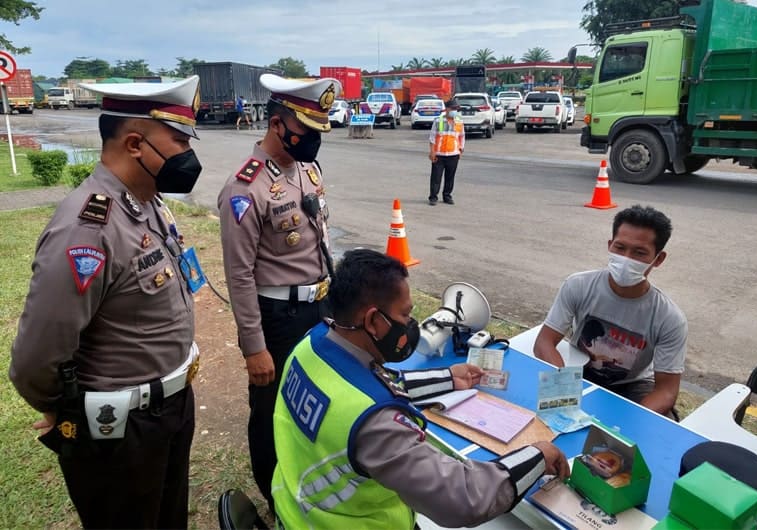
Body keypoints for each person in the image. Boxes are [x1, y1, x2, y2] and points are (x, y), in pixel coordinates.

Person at [9, 76, 204, 528]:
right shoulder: (88, 228)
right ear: (136, 144)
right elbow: (37, 355)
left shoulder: (148, 203)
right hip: (120, 430)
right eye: (177, 141)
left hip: (168, 410)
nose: (188, 155)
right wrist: (64, 408)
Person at [272, 249, 569, 528]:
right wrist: (536, 456)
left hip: (292, 505)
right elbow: (462, 497)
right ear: (374, 321)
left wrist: (451, 379)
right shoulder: (375, 425)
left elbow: (368, 387)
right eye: (404, 315)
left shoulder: (313, 345)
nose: (410, 325)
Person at [218, 73, 342, 512]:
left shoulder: (308, 169)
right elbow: (239, 275)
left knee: (316, 401)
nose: (313, 140)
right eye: (306, 130)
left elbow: (320, 240)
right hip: (278, 318)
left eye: (318, 132)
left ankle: (308, 482)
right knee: (272, 411)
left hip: (319, 308)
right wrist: (254, 346)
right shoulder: (244, 188)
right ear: (277, 125)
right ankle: (276, 500)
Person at [534, 205, 687, 418]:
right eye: (620, 248)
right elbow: (544, 342)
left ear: (658, 259)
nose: (626, 258)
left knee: (659, 426)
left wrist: (632, 421)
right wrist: (561, 386)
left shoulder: (669, 318)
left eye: (639, 252)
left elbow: (666, 390)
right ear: (609, 245)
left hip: (632, 385)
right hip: (579, 368)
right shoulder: (578, 285)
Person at [428, 98, 464, 205]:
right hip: (439, 154)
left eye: (456, 109)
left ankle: (447, 196)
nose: (455, 111)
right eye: (453, 108)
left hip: (453, 154)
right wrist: (432, 151)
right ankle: (433, 197)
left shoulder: (459, 121)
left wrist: (460, 150)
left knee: (450, 177)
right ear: (447, 109)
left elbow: (462, 137)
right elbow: (432, 137)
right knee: (436, 177)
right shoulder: (438, 121)